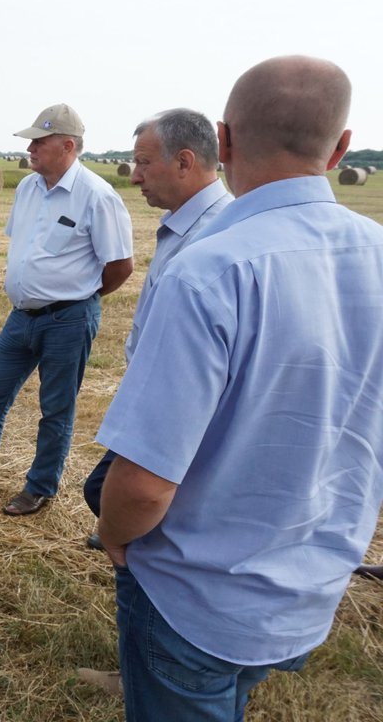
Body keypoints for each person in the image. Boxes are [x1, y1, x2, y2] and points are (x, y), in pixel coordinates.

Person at [96, 56, 383, 721]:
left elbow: (144, 484)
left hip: (195, 599)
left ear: (222, 143)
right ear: (341, 148)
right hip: (310, 584)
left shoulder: (208, 271)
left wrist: (115, 532)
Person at [75, 108, 232, 696]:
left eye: (143, 162)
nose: (134, 174)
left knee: (139, 527)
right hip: (160, 403)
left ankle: (149, 667)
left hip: (180, 420)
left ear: (185, 163)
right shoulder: (186, 226)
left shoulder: (215, 238)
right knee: (109, 497)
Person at [0, 104, 133, 517]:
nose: (31, 148)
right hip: (20, 316)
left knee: (55, 408)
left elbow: (121, 266)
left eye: (39, 141)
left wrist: (79, 299)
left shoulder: (97, 196)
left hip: (70, 320)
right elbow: (22, 248)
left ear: (68, 146)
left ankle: (40, 487)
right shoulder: (27, 189)